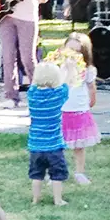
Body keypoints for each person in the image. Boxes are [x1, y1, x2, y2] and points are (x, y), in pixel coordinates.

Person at [27, 58, 70, 207]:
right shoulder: (58, 96)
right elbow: (65, 86)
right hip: (54, 146)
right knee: (57, 175)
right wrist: (66, 68)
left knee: (36, 175)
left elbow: (33, 85)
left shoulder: (32, 95)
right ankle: (58, 200)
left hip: (35, 146)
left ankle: (35, 199)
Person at [58, 32, 100, 185]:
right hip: (60, 110)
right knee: (58, 145)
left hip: (78, 109)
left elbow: (91, 86)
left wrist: (91, 100)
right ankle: (57, 172)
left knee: (79, 144)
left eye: (77, 52)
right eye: (69, 50)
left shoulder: (87, 69)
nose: (72, 55)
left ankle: (79, 172)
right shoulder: (58, 67)